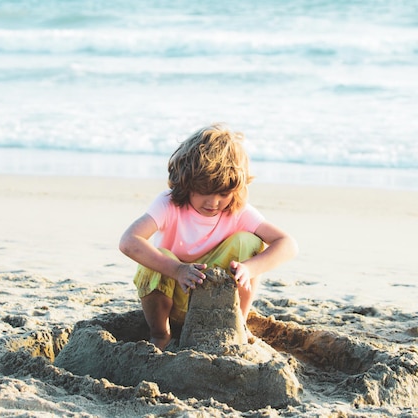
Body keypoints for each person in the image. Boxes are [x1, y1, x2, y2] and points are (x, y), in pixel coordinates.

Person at [119, 124, 298, 350]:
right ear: (186, 182)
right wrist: (177, 270)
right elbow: (128, 241)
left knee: (250, 241)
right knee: (156, 257)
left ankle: (237, 324)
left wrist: (249, 269)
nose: (213, 203)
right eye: (203, 191)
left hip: (217, 301)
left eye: (223, 193)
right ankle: (160, 334)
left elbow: (288, 244)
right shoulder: (169, 204)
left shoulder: (237, 210)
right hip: (174, 298)